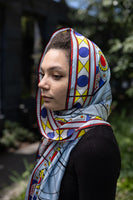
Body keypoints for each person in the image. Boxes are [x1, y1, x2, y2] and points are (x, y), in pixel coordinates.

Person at [25, 28, 121, 200]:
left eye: (56, 75)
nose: (41, 84)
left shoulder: (96, 145)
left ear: (84, 83)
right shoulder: (57, 133)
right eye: (42, 74)